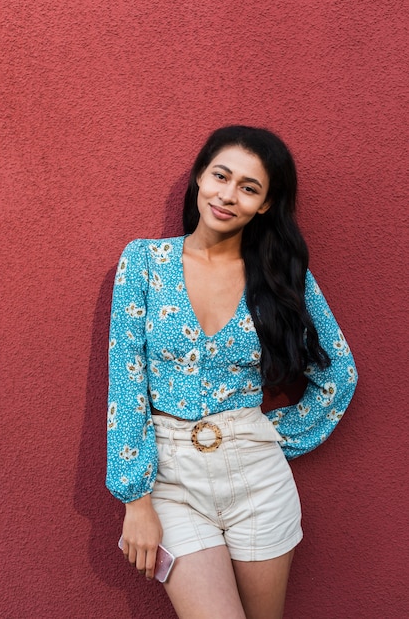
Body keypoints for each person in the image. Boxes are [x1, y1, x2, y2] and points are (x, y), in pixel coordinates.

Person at [106, 125, 358, 619]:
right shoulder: (144, 262)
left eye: (249, 188)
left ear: (264, 205)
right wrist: (135, 498)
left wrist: (266, 434)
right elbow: (126, 377)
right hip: (172, 482)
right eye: (221, 176)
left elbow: (339, 373)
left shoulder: (281, 275)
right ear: (200, 177)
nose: (228, 195)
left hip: (259, 481)